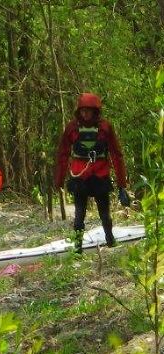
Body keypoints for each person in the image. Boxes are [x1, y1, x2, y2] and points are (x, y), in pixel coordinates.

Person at [54, 92, 129, 253]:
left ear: (95, 111)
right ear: (79, 111)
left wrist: (122, 185)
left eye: (88, 110)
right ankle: (78, 248)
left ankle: (110, 241)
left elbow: (116, 155)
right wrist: (59, 180)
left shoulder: (105, 127)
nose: (85, 113)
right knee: (79, 215)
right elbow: (63, 154)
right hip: (80, 177)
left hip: (100, 176)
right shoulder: (72, 128)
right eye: (83, 110)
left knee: (105, 214)